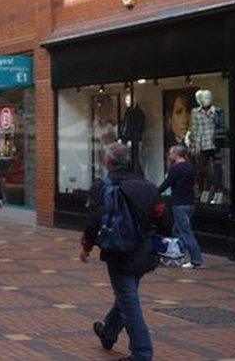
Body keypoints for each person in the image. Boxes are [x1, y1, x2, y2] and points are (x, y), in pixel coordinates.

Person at [81, 143, 170, 361]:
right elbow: (164, 218)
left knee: (128, 299)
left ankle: (141, 352)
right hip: (143, 251)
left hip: (117, 250)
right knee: (126, 293)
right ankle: (108, 332)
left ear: (107, 162)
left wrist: (86, 247)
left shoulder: (101, 186)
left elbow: (94, 221)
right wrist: (157, 238)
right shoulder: (147, 186)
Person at [158, 145, 203, 268]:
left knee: (185, 231)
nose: (169, 155)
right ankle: (177, 255)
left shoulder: (175, 168)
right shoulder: (191, 167)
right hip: (190, 203)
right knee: (176, 230)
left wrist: (155, 192)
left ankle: (196, 260)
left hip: (179, 203)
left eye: (171, 153)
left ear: (176, 154)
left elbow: (167, 183)